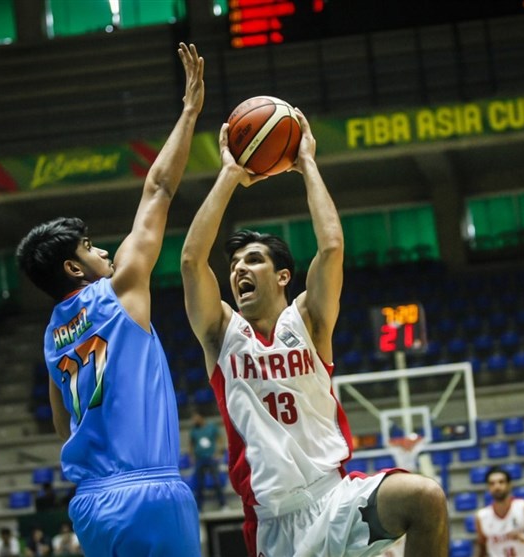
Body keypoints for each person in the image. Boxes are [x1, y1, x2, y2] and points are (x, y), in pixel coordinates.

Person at [180, 109, 449, 557]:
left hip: (336, 498)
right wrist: (229, 173)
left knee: (425, 498)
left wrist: (307, 163)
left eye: (252, 260)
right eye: (234, 265)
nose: (239, 269)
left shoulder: (308, 320)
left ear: (284, 275)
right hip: (274, 522)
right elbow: (191, 261)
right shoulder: (221, 333)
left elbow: (332, 247)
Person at [15, 42, 205, 556]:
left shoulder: (53, 335)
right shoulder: (118, 291)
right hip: (148, 490)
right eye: (90, 247)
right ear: (75, 268)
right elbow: (158, 190)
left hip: (92, 504)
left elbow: (62, 426)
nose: (103, 250)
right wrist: (189, 112)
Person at [474, 465, 524, 557]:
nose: (497, 486)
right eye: (492, 483)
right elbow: (481, 548)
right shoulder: (482, 516)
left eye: (501, 482)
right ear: (488, 487)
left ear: (509, 485)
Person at [189, 411, 227, 510]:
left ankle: (223, 505)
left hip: (211, 458)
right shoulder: (194, 430)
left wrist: (219, 452)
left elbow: (220, 438)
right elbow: (191, 445)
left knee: (217, 481)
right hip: (199, 459)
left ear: (201, 418)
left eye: (196, 418)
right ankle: (199, 508)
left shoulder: (211, 427)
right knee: (199, 484)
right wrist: (192, 457)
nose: (194, 421)